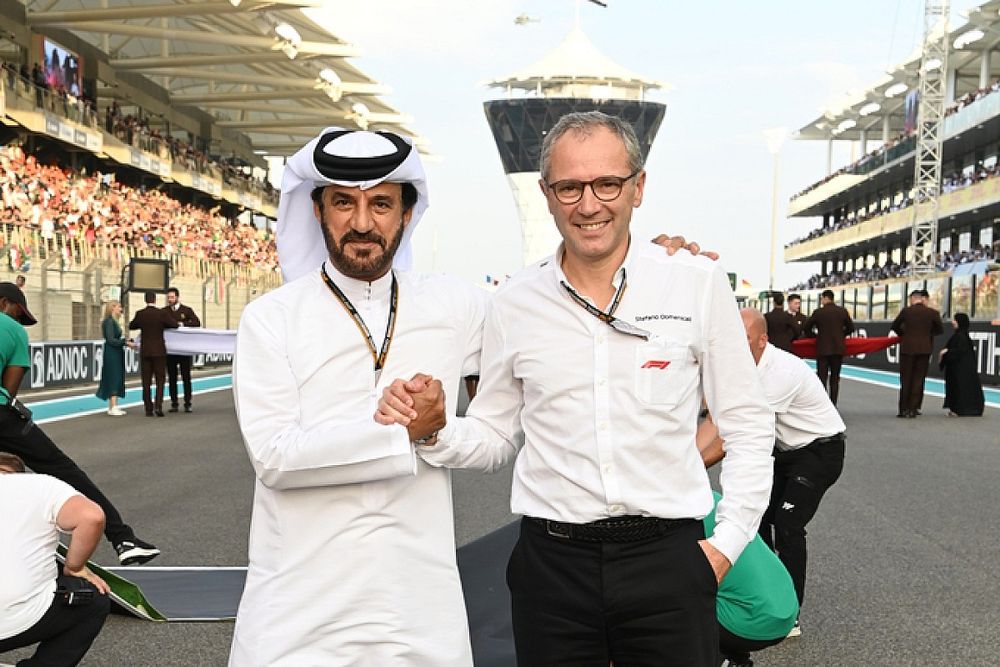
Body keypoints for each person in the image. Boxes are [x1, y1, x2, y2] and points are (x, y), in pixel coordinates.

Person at [377, 111, 775, 665]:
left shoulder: (695, 282)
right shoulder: (514, 301)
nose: (589, 205)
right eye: (569, 187)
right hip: (552, 570)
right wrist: (435, 431)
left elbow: (748, 424)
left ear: (638, 187)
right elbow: (495, 434)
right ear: (546, 194)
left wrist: (726, 545)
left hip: (669, 563)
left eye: (607, 183)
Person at [701, 309, 845, 640]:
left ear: (763, 340)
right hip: (784, 450)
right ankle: (765, 588)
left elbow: (729, 433)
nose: (734, 346)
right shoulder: (738, 364)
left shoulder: (781, 372)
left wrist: (689, 468)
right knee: (755, 519)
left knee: (788, 524)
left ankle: (791, 611)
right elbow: (713, 417)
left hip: (819, 452)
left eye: (744, 339)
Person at [0, 282, 159, 565]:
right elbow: (9, 391)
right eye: (17, 313)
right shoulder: (12, 330)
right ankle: (123, 538)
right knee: (62, 470)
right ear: (3, 303)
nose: (17, 320)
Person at [0, 453, 111, 667]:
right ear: (17, 474)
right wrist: (74, 567)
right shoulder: (41, 486)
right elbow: (91, 517)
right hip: (16, 621)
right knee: (93, 600)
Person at [890, 289, 943, 418]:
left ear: (912, 299)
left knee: (906, 379)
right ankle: (913, 409)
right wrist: (927, 334)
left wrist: (904, 334)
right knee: (919, 379)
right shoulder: (932, 313)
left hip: (907, 348)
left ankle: (903, 409)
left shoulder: (906, 311)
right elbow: (939, 329)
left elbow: (895, 326)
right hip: (924, 349)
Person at [128, 291, 178, 417]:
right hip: (159, 351)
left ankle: (148, 408)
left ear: (146, 300)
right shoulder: (161, 313)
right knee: (160, 380)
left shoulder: (140, 314)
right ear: (155, 300)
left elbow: (132, 326)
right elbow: (174, 324)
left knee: (146, 381)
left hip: (145, 351)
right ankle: (158, 406)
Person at [803, 289, 854, 405]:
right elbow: (851, 328)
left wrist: (816, 337)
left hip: (823, 348)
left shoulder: (819, 312)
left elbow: (807, 328)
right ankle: (833, 404)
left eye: (822, 298)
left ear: (825, 298)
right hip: (837, 349)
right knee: (835, 379)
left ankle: (822, 404)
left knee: (821, 378)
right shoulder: (842, 311)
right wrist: (841, 335)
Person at [162, 287, 201, 413]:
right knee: (172, 377)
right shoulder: (164, 311)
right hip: (171, 350)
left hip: (184, 350)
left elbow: (197, 322)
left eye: (172, 297)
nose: (170, 299)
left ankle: (188, 402)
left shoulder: (186, 310)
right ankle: (174, 403)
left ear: (177, 297)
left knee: (186, 377)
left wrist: (183, 324)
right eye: (168, 297)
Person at [939, 312, 984, 416]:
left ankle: (960, 409)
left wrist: (946, 353)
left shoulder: (960, 337)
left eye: (955, 320)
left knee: (960, 387)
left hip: (960, 369)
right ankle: (957, 409)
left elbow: (958, 352)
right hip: (962, 368)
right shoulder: (962, 335)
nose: (953, 322)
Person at [96, 300, 133, 416]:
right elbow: (111, 340)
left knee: (117, 376)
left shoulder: (114, 321)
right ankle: (113, 406)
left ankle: (113, 405)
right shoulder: (109, 322)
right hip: (112, 353)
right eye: (119, 307)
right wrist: (125, 342)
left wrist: (124, 342)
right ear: (112, 308)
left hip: (116, 352)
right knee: (114, 376)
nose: (121, 309)